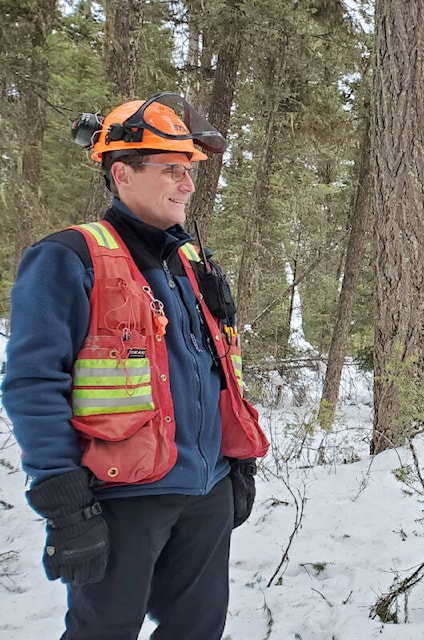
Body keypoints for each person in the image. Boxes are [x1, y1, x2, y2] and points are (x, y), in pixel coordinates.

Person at [2, 93, 269, 639]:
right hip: (122, 500)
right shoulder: (68, 257)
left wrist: (235, 464)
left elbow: (218, 369)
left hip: (206, 493)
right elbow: (33, 384)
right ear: (122, 174)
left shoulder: (194, 264)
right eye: (172, 170)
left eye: (189, 170)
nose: (188, 184)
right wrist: (65, 503)